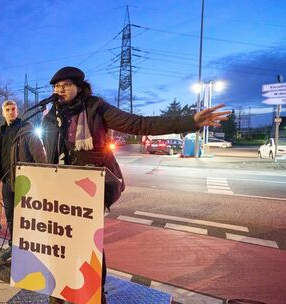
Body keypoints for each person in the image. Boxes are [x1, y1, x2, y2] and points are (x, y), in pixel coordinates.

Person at [41, 66, 231, 304]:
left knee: (87, 246)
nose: (60, 90)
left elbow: (138, 124)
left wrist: (189, 122)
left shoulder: (95, 107)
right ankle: (58, 293)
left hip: (89, 189)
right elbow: (45, 152)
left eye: (66, 85)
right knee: (60, 241)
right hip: (59, 191)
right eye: (57, 87)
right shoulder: (51, 115)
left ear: (79, 87)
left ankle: (94, 295)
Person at [0, 100, 46, 261]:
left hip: (25, 182)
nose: (11, 112)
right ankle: (14, 246)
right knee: (11, 217)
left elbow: (40, 158)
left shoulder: (26, 129)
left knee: (28, 218)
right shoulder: (0, 133)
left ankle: (31, 250)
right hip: (7, 181)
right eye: (7, 109)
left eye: (13, 109)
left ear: (17, 111)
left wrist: (41, 180)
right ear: (3, 113)